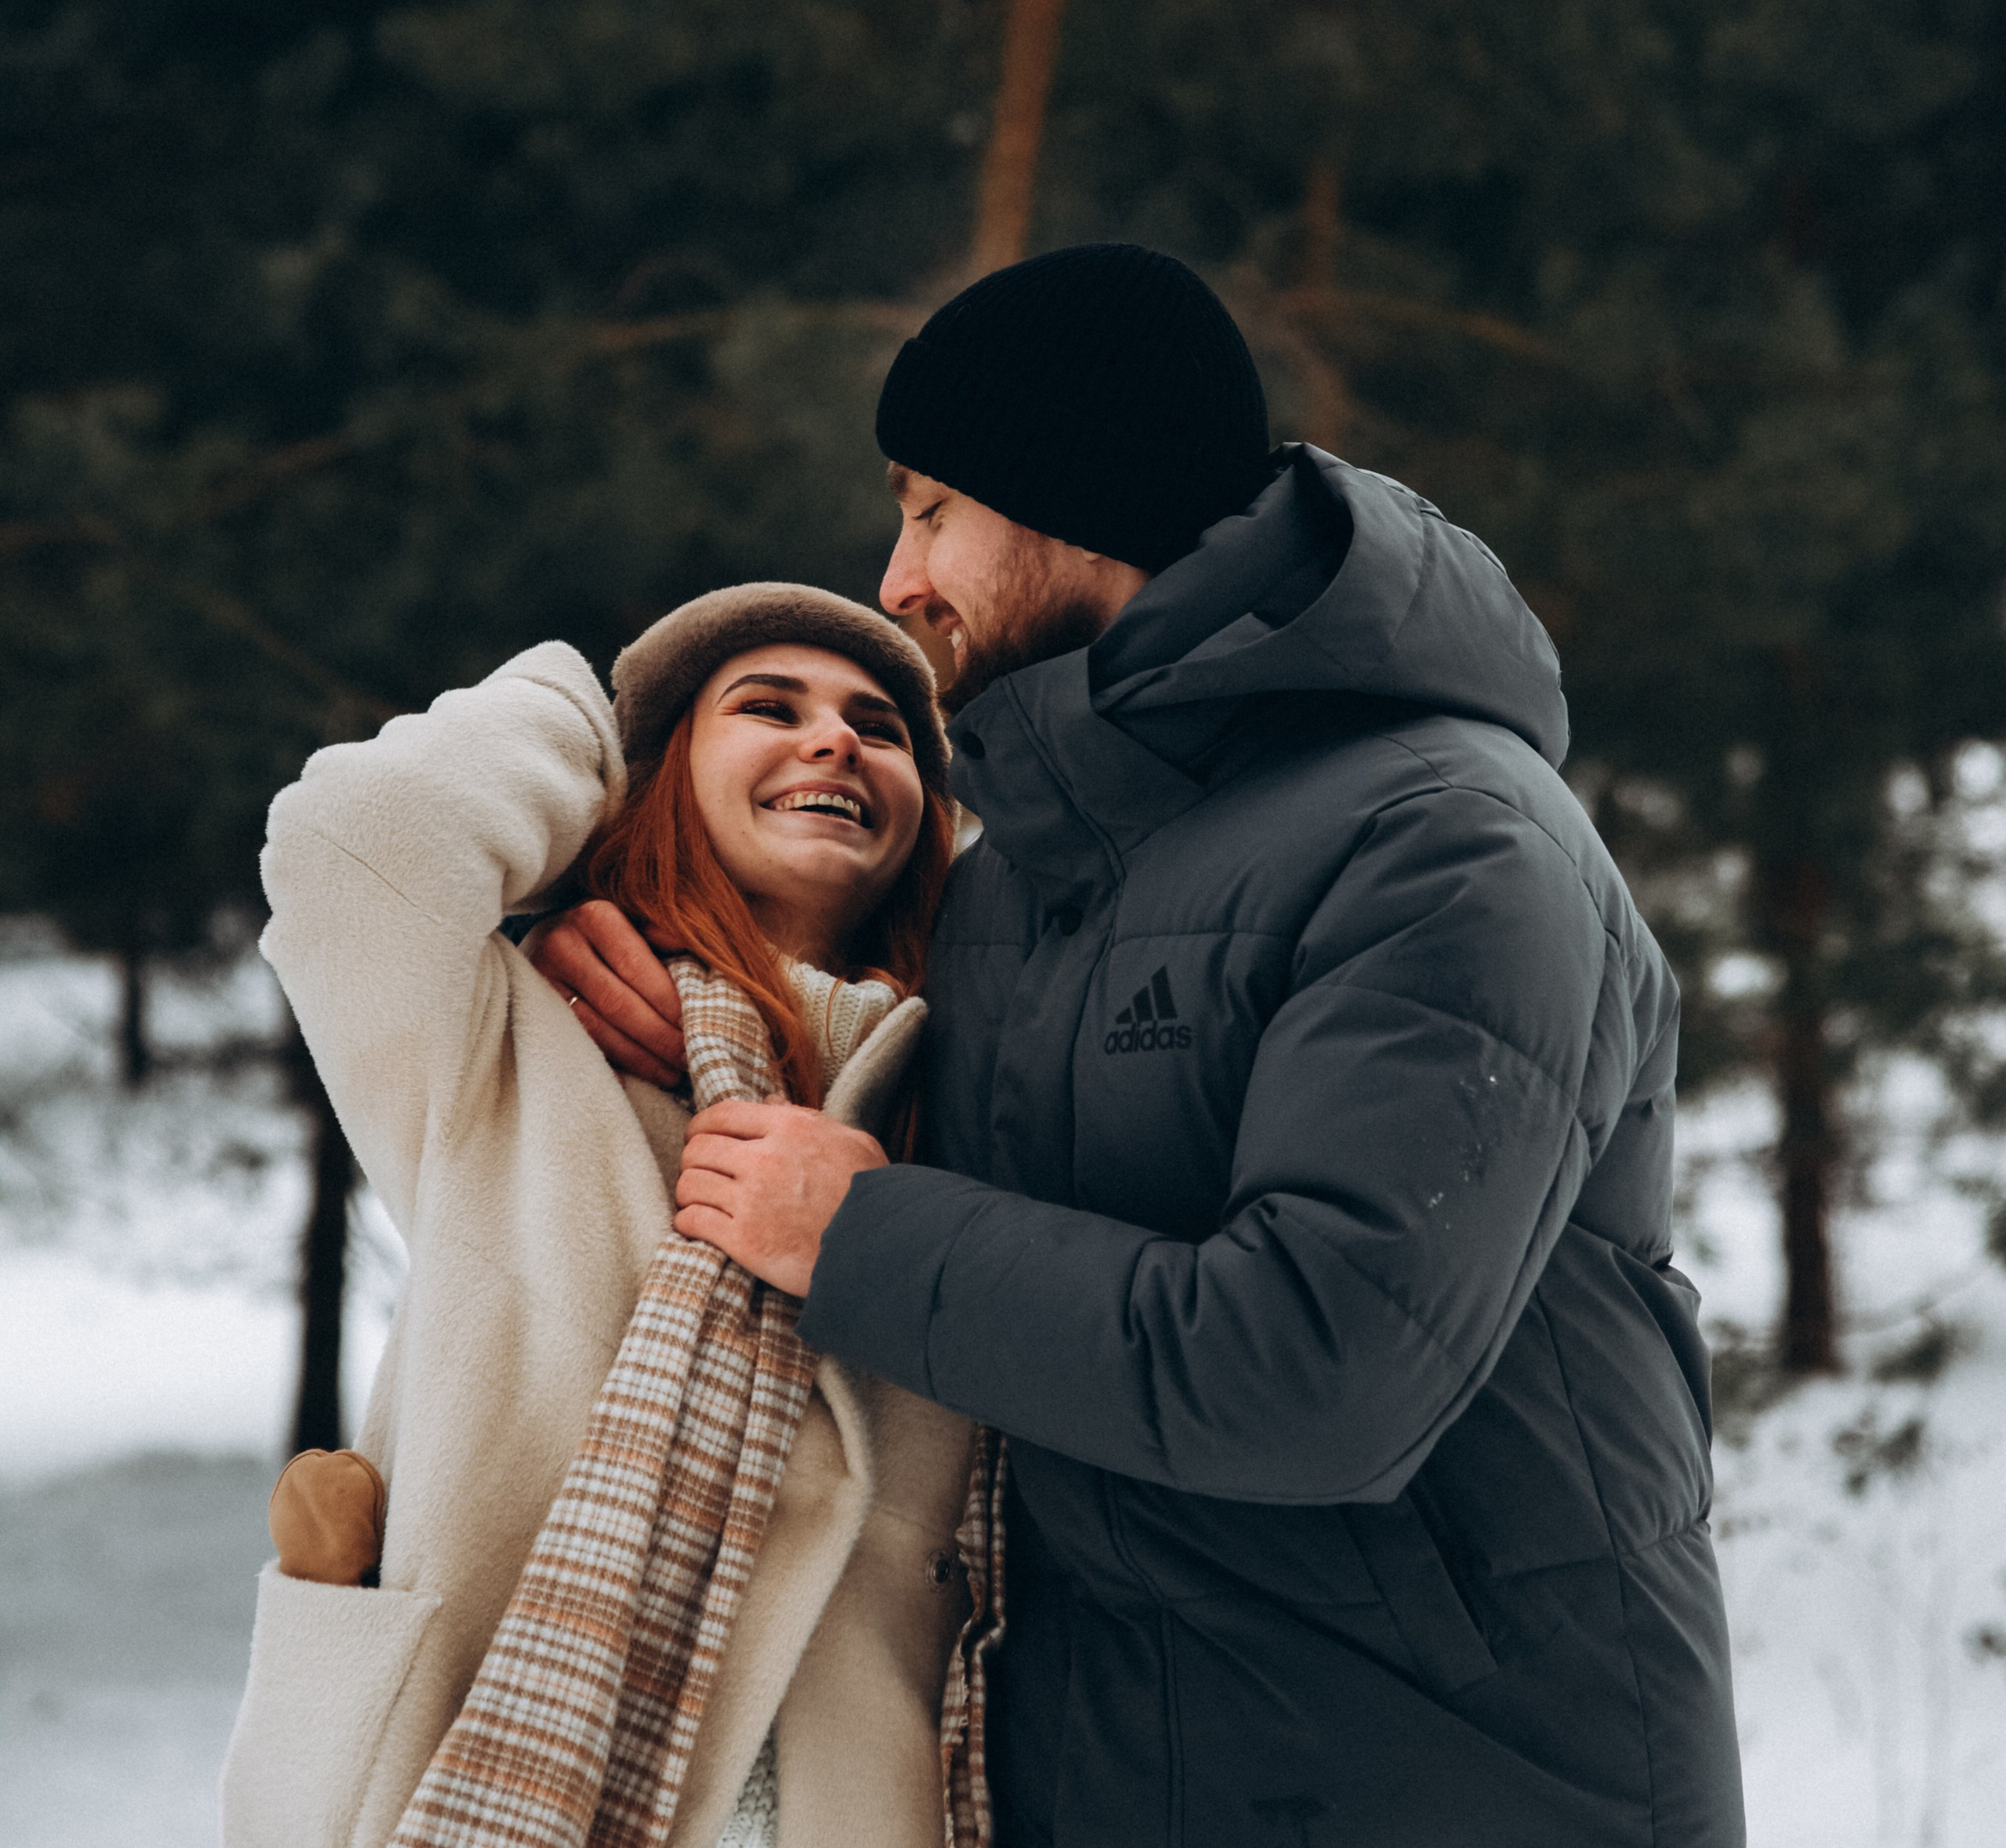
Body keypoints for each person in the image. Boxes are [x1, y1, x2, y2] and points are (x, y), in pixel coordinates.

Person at [536, 244, 1747, 1847]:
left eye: (928, 507)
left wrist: (856, 1231)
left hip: (1463, 1780)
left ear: (1062, 498)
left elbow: (1315, 1370)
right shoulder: (1018, 879)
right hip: (1112, 1774)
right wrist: (593, 909)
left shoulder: (1449, 845)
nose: (893, 578)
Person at [222, 584, 994, 1848]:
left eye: (883, 725)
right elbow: (356, 839)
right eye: (767, 707)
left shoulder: (976, 1101)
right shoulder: (517, 1036)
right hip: (492, 1763)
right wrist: (594, 781)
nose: (838, 740)